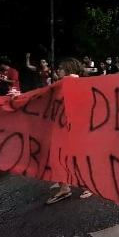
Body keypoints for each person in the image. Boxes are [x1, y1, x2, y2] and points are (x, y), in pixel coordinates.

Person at [45, 58, 93, 205]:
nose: (58, 70)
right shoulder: (60, 83)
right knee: (56, 156)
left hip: (75, 127)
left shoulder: (73, 82)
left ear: (69, 69)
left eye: (61, 68)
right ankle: (64, 188)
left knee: (76, 157)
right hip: (61, 126)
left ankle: (88, 185)